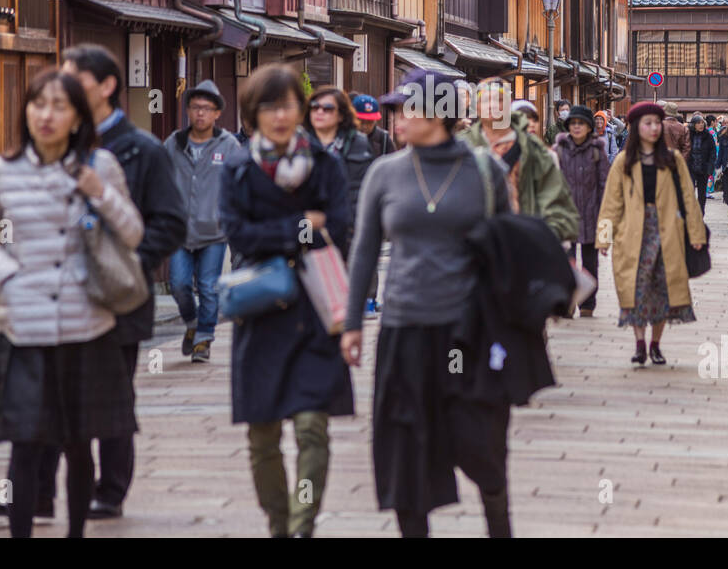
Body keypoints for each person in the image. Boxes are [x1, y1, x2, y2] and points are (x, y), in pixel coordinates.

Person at [0, 69, 143, 538]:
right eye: (38, 104)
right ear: (26, 111)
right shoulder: (3, 169)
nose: (46, 115)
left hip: (89, 325)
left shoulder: (100, 165)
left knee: (79, 442)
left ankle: (77, 531)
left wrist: (99, 194)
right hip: (25, 327)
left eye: (59, 106)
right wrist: (8, 275)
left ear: (78, 117)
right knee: (25, 442)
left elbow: (133, 232)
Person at [340, 67, 514, 537]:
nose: (396, 120)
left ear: (439, 114)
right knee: (404, 445)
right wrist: (353, 321)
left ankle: (500, 524)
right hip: (403, 328)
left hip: (466, 333)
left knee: (478, 443)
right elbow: (363, 249)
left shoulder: (485, 170)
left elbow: (506, 250)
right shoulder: (385, 173)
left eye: (406, 109)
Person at [218, 64, 353, 537]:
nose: (280, 115)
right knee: (263, 435)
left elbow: (338, 225)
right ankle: (279, 522)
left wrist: (290, 233)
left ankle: (302, 524)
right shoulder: (238, 169)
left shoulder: (324, 164)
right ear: (254, 113)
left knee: (314, 427)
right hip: (261, 313)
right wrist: (301, 228)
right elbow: (239, 236)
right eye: (269, 106)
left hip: (316, 311)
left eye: (289, 105)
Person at [57, 44, 185, 520]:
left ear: (107, 86)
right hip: (62, 294)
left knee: (111, 396)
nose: (64, 90)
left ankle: (110, 491)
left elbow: (170, 223)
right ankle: (54, 488)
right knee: (57, 392)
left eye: (76, 81)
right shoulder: (58, 146)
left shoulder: (142, 149)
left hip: (118, 296)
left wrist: (129, 268)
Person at [597, 101, 706, 367]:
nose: (654, 128)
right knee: (636, 288)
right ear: (636, 128)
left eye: (657, 123)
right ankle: (639, 343)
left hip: (666, 231)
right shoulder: (624, 161)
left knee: (662, 289)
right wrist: (604, 236)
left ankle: (656, 344)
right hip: (631, 232)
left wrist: (696, 233)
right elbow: (611, 202)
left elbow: (688, 199)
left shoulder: (673, 159)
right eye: (648, 123)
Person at [165, 79, 243, 364]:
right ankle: (192, 322)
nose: (200, 113)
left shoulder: (228, 145)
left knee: (209, 286)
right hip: (180, 230)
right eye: (196, 107)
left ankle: (204, 339)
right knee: (179, 283)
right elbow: (159, 177)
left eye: (206, 108)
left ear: (217, 113)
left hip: (214, 230)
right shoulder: (174, 143)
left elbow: (241, 182)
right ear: (188, 110)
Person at [459, 78, 578, 245]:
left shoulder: (531, 148)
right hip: (472, 250)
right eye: (486, 100)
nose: (492, 105)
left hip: (522, 245)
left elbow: (560, 207)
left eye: (499, 100)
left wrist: (541, 238)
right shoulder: (461, 146)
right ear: (476, 106)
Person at [553, 105, 611, 318]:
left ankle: (588, 304)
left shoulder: (597, 151)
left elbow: (606, 188)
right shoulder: (558, 150)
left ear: (589, 128)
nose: (577, 127)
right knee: (565, 263)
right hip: (564, 217)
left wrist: (606, 230)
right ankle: (567, 302)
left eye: (581, 123)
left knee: (590, 264)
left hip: (591, 215)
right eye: (573, 123)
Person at [307, 86, 376, 241]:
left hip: (345, 230)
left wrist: (351, 229)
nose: (319, 112)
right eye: (315, 107)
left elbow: (358, 192)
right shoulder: (299, 144)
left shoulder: (358, 142)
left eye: (328, 108)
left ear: (341, 115)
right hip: (306, 228)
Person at [686, 114, 717, 213]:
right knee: (689, 191)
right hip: (691, 167)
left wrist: (710, 167)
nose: (701, 125)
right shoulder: (688, 135)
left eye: (702, 123)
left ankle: (700, 213)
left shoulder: (708, 135)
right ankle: (690, 213)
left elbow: (713, 152)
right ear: (693, 124)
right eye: (698, 123)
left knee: (702, 194)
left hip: (703, 168)